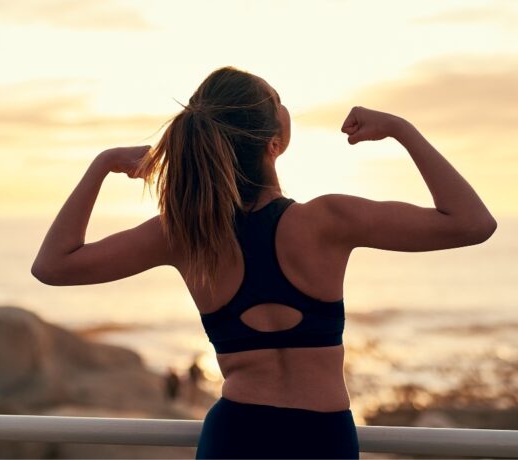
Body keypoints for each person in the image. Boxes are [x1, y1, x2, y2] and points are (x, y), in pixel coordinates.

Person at [31, 66, 497, 459]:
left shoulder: (183, 236)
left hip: (235, 436)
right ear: (273, 142)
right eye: (279, 100)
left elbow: (54, 265)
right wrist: (400, 129)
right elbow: (472, 222)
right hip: (322, 438)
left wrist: (103, 164)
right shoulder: (328, 220)